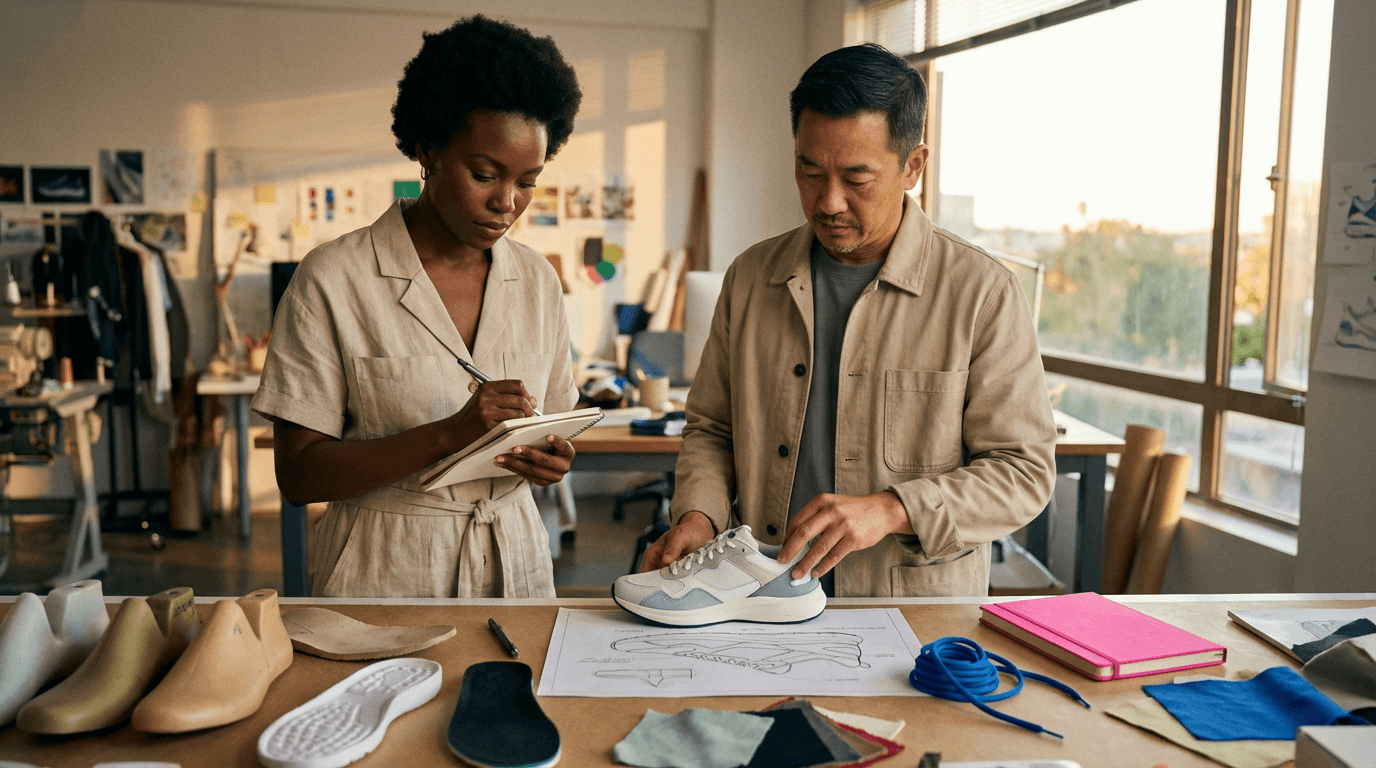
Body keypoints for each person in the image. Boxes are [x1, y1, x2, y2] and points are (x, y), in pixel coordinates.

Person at [641, 43, 1057, 597]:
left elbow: (1022, 472)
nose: (829, 201)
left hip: (911, 611)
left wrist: (893, 509)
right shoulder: (750, 279)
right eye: (809, 171)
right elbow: (713, 430)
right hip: (761, 595)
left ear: (913, 166)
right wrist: (700, 516)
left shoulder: (981, 292)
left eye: (857, 179)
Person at [251, 15, 582, 598]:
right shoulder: (334, 278)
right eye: (485, 174)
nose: (507, 203)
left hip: (517, 565)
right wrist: (449, 433)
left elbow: (550, 426)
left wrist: (550, 461)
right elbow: (299, 476)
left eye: (528, 181)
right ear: (428, 149)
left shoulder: (536, 280)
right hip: (384, 571)